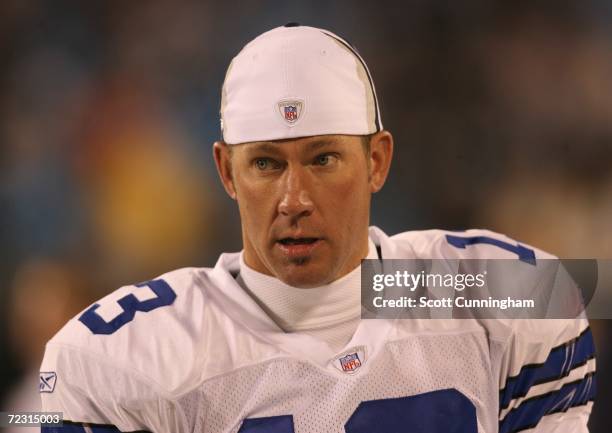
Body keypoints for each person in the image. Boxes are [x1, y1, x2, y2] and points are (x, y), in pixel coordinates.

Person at [40, 24, 596, 433]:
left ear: (376, 161)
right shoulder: (127, 354)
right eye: (266, 163)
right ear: (225, 171)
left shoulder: (501, 293)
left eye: (323, 159)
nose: (294, 200)